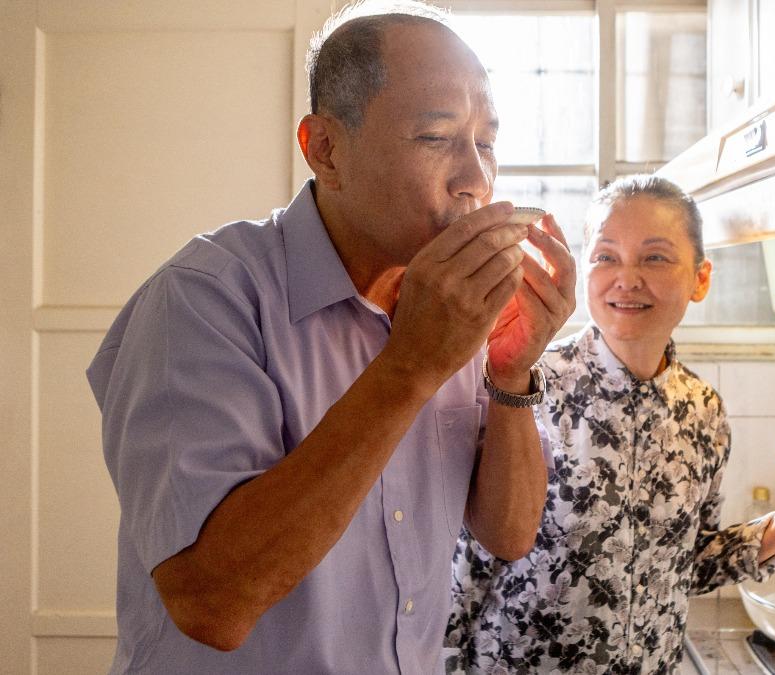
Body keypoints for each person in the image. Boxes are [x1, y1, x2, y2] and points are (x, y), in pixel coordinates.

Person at [85, 2, 575, 673]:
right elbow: (211, 604)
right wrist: (410, 367)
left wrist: (511, 373)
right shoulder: (203, 298)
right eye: (436, 137)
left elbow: (509, 533)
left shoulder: (455, 310)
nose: (475, 181)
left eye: (485, 144)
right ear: (326, 149)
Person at [445, 175, 775, 674]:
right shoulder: (523, 385)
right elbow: (461, 572)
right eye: (606, 256)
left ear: (700, 279)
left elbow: (685, 566)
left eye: (654, 257)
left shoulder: (703, 410)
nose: (626, 279)